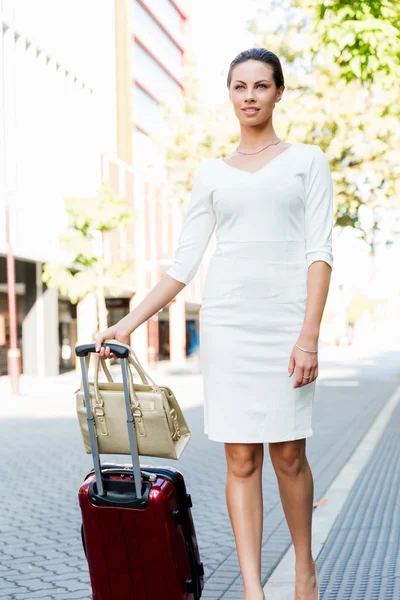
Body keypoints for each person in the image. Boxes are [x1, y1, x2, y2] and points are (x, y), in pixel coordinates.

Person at [94, 47, 333, 600]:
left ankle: (304, 568)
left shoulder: (307, 161)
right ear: (229, 94)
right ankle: (252, 588)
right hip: (229, 327)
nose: (249, 97)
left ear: (279, 92)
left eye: (261, 86)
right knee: (241, 458)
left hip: (286, 327)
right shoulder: (210, 174)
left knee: (289, 455)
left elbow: (319, 252)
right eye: (239, 87)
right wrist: (126, 324)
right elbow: (182, 266)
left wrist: (309, 337)